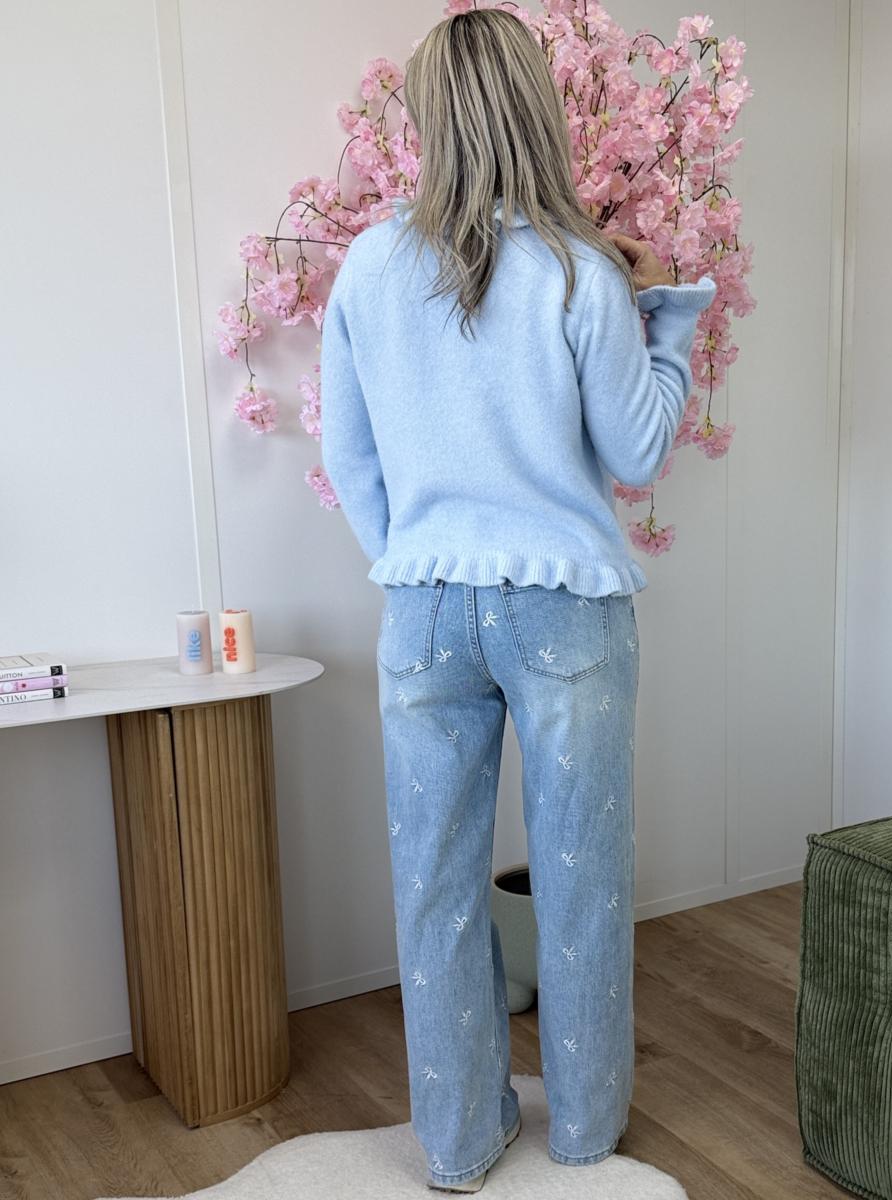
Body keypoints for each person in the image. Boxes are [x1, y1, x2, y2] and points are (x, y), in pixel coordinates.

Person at [320, 8, 716, 1193]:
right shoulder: (580, 272)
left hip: (425, 605)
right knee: (582, 878)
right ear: (539, 110)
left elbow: (349, 456)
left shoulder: (368, 267)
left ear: (427, 120)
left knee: (434, 883)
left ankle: (456, 1143)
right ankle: (585, 1133)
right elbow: (637, 451)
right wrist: (670, 318)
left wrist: (418, 557)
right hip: (566, 609)